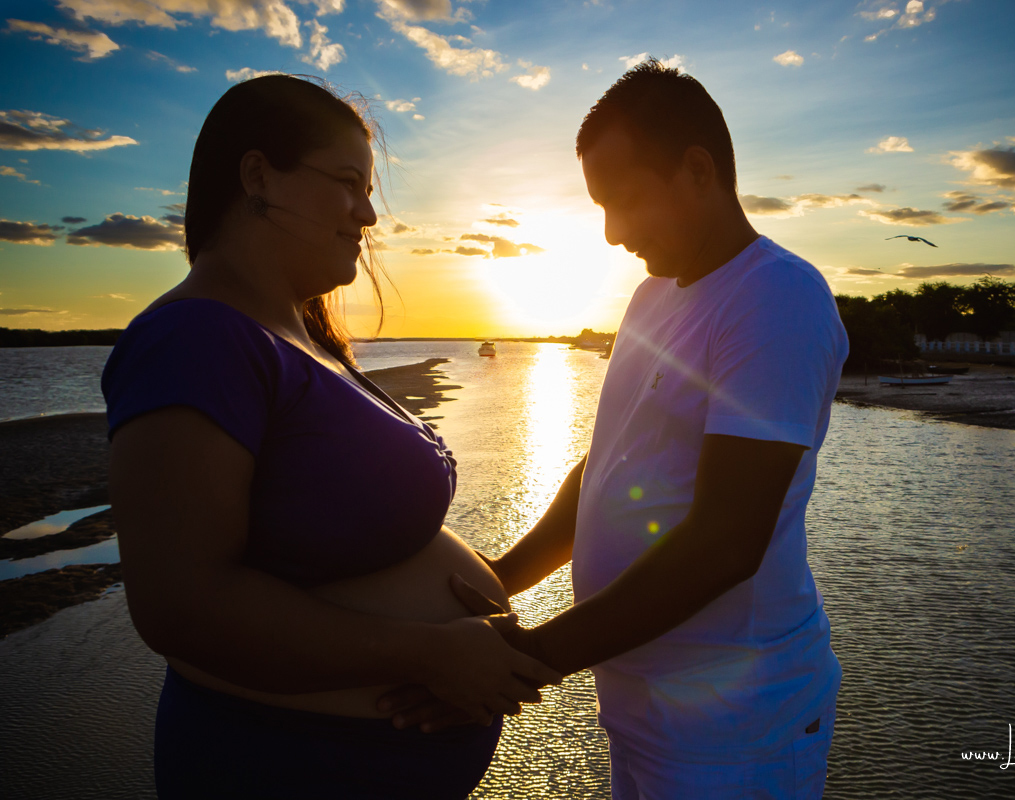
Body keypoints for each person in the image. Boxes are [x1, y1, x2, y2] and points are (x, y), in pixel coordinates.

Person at [387, 58, 848, 797]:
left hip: (739, 728)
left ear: (698, 171)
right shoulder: (651, 297)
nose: (610, 233)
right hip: (645, 710)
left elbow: (725, 542)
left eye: (625, 200)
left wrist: (525, 659)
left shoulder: (777, 298)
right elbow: (601, 475)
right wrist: (497, 584)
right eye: (599, 206)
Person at [102, 74, 559, 799]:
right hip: (279, 768)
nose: (369, 214)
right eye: (348, 182)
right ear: (258, 175)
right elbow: (181, 604)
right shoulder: (195, 338)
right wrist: (431, 651)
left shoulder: (303, 338)